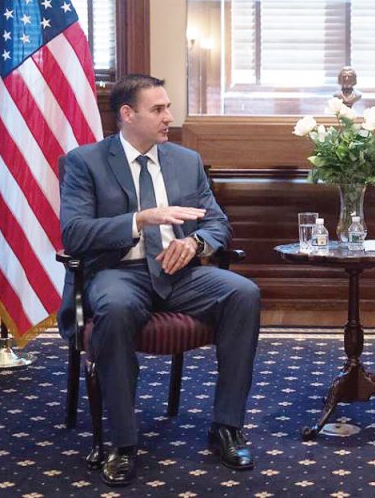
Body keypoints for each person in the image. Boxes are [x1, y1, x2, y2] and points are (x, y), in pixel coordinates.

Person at [59, 74, 261, 487]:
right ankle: (122, 442)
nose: (169, 116)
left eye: (168, 107)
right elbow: (74, 233)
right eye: (158, 109)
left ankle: (227, 426)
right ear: (127, 115)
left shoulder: (186, 161)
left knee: (243, 293)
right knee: (115, 308)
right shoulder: (85, 162)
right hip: (119, 273)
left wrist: (196, 244)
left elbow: (217, 224)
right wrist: (139, 219)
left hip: (178, 272)